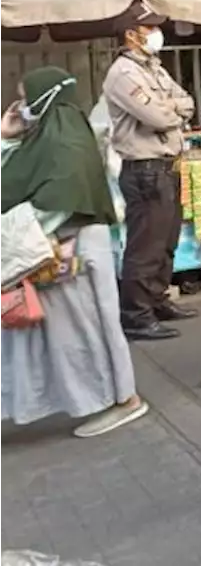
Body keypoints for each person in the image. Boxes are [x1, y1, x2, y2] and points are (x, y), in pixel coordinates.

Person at [0, 68, 149, 438]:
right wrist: (5, 137)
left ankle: (123, 400)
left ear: (44, 97)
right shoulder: (45, 140)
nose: (22, 106)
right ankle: (105, 399)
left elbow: (56, 200)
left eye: (25, 96)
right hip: (57, 248)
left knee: (90, 330)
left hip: (74, 248)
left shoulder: (65, 143)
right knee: (72, 335)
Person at [103, 3, 196, 341]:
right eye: (149, 28)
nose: (157, 34)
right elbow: (160, 117)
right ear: (131, 34)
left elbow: (186, 101)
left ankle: (157, 300)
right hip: (143, 168)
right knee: (146, 245)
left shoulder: (154, 68)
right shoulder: (123, 74)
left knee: (166, 240)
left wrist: (170, 109)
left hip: (165, 165)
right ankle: (136, 315)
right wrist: (171, 110)